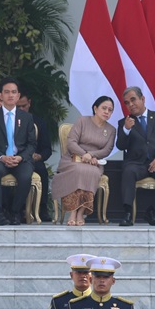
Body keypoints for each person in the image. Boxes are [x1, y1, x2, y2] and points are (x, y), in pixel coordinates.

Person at [115, 86, 155, 226]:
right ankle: (127, 213)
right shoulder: (124, 123)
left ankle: (151, 211)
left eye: (133, 100)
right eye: (127, 103)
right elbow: (120, 145)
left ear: (142, 99)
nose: (131, 104)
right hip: (137, 163)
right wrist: (126, 129)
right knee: (128, 171)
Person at [52, 96, 117, 226]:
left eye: (110, 110)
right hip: (73, 158)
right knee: (78, 170)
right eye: (104, 108)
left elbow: (107, 150)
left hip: (94, 163)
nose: (106, 112)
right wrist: (83, 154)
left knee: (91, 172)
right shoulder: (82, 121)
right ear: (95, 108)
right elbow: (71, 142)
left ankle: (81, 212)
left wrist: (91, 155)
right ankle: (73, 211)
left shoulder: (111, 130)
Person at [0, 77, 37, 225]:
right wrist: (2, 157)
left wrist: (20, 157)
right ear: (1, 95)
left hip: (20, 159)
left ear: (18, 95)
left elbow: (32, 144)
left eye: (14, 92)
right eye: (6, 92)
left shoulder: (27, 118)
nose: (10, 95)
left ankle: (15, 212)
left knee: (25, 176)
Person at [16, 90, 53, 222]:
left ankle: (42, 208)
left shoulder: (39, 122)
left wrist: (40, 156)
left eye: (24, 106)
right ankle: (17, 209)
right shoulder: (9, 120)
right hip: (14, 159)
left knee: (42, 170)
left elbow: (47, 149)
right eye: (18, 107)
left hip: (32, 159)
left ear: (29, 103)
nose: (21, 109)